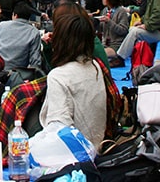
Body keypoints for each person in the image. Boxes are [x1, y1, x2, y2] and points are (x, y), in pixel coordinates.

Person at [39, 13, 109, 146]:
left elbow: (59, 130)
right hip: (96, 144)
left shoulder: (58, 76)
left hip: (74, 154)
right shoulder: (95, 66)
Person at [0, 1, 42, 71]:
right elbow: (35, 61)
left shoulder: (2, 25)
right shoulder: (34, 32)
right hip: (17, 73)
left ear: (15, 15)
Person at [97, 0, 130, 65]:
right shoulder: (104, 11)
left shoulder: (121, 11)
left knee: (99, 55)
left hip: (116, 46)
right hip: (104, 44)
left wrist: (109, 22)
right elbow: (100, 29)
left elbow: (124, 30)